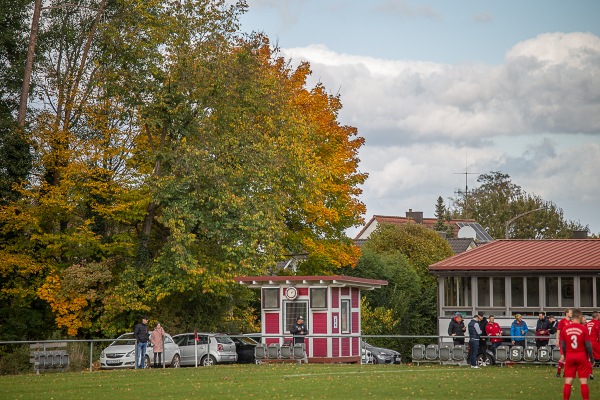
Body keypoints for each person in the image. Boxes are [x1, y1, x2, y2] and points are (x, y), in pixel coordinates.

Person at [560, 309, 593, 400]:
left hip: (570, 356)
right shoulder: (583, 328)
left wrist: (565, 355)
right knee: (583, 382)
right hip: (581, 356)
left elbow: (563, 344)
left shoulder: (565, 329)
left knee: (568, 381)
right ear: (579, 316)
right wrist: (592, 358)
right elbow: (588, 345)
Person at [557, 309, 574, 378]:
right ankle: (558, 372)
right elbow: (558, 331)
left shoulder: (571, 322)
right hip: (563, 342)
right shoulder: (562, 321)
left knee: (567, 358)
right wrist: (557, 340)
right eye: (570, 313)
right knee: (562, 357)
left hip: (569, 342)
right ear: (566, 313)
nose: (571, 314)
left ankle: (565, 373)